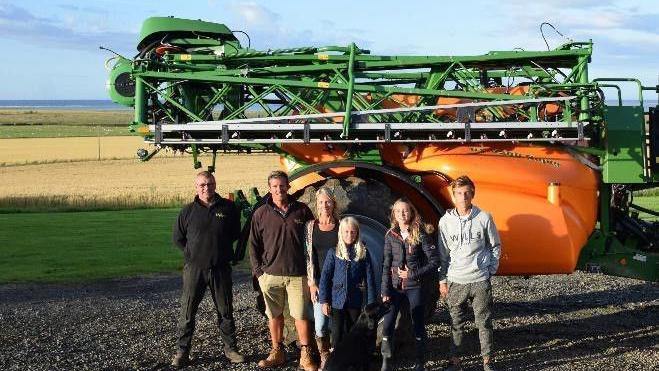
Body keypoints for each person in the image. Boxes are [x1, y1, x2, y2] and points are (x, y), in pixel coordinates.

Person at [171, 171, 245, 368]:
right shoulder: (187, 211)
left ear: (215, 184)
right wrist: (193, 254)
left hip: (220, 269)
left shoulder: (228, 208)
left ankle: (231, 349)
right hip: (194, 270)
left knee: (225, 311)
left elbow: (234, 234)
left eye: (210, 184)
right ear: (196, 187)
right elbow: (178, 238)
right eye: (202, 185)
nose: (206, 188)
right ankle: (182, 351)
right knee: (187, 312)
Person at [249, 170, 318, 371]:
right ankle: (277, 352)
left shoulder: (302, 210)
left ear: (288, 187)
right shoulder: (261, 213)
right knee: (274, 315)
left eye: (282, 185)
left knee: (300, 316)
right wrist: (259, 273)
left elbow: (312, 241)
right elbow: (253, 245)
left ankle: (306, 355)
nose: (279, 189)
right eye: (275, 186)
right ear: (269, 189)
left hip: (297, 274)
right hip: (270, 275)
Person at [438, 175, 501, 371]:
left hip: (480, 280)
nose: (463, 197)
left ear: (472, 194)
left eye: (466, 193)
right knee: (456, 323)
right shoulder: (445, 222)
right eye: (458, 193)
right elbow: (443, 254)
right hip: (456, 281)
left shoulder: (484, 218)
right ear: (453, 195)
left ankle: (488, 361)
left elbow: (495, 246)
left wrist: (490, 269)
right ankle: (455, 361)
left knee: (484, 322)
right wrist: (442, 280)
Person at [380, 198, 441, 371]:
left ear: (411, 212)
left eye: (405, 210)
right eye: (398, 211)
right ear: (394, 214)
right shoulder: (391, 235)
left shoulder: (420, 233)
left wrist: (412, 273)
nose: (402, 214)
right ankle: (386, 362)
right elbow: (386, 264)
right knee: (387, 324)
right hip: (394, 287)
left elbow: (434, 261)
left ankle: (420, 362)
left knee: (418, 323)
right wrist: (384, 290)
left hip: (415, 286)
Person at [319, 216, 377, 349]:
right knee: (337, 332)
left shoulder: (363, 253)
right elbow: (325, 278)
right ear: (341, 233)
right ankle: (336, 360)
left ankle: (351, 361)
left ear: (357, 233)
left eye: (352, 232)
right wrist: (324, 300)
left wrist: (371, 303)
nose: (349, 235)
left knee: (353, 332)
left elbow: (369, 278)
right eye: (346, 231)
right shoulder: (333, 253)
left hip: (354, 300)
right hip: (337, 301)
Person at [305, 187, 339, 369]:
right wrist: (312, 283)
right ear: (316, 205)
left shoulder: (341, 226)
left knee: (337, 324)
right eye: (321, 202)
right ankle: (324, 355)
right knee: (320, 325)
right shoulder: (311, 227)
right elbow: (308, 257)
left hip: (339, 283)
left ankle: (335, 358)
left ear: (333, 203)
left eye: (328, 202)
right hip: (319, 284)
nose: (324, 205)